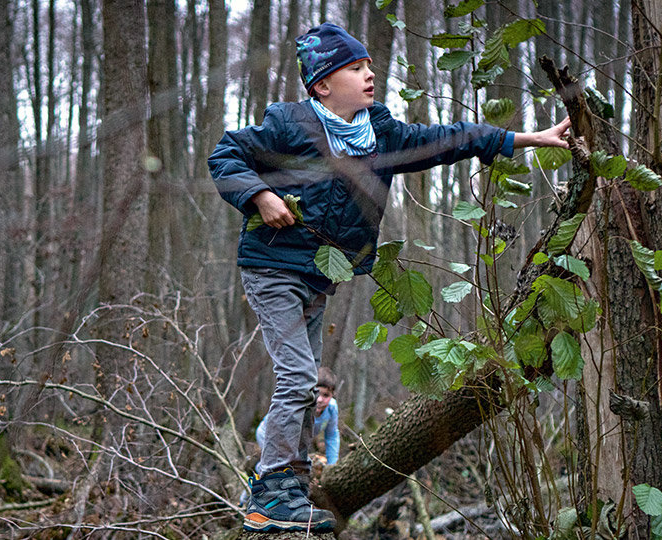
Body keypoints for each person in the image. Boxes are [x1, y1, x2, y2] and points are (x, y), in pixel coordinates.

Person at [208, 22, 570, 534]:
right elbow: (225, 155)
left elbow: (448, 139)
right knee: (298, 378)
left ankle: (288, 485)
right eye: (355, 68)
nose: (369, 74)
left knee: (306, 382)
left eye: (369, 65)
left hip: (317, 279)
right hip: (272, 268)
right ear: (323, 86)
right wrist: (259, 196)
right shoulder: (289, 126)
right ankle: (268, 491)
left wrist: (522, 138)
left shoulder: (380, 135)